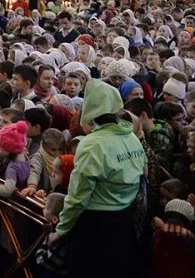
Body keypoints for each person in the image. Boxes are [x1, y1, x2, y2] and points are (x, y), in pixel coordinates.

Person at [51, 79, 147, 277]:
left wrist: (61, 229)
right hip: (124, 223)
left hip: (95, 226)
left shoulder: (91, 144)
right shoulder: (131, 138)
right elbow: (142, 175)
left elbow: (78, 194)